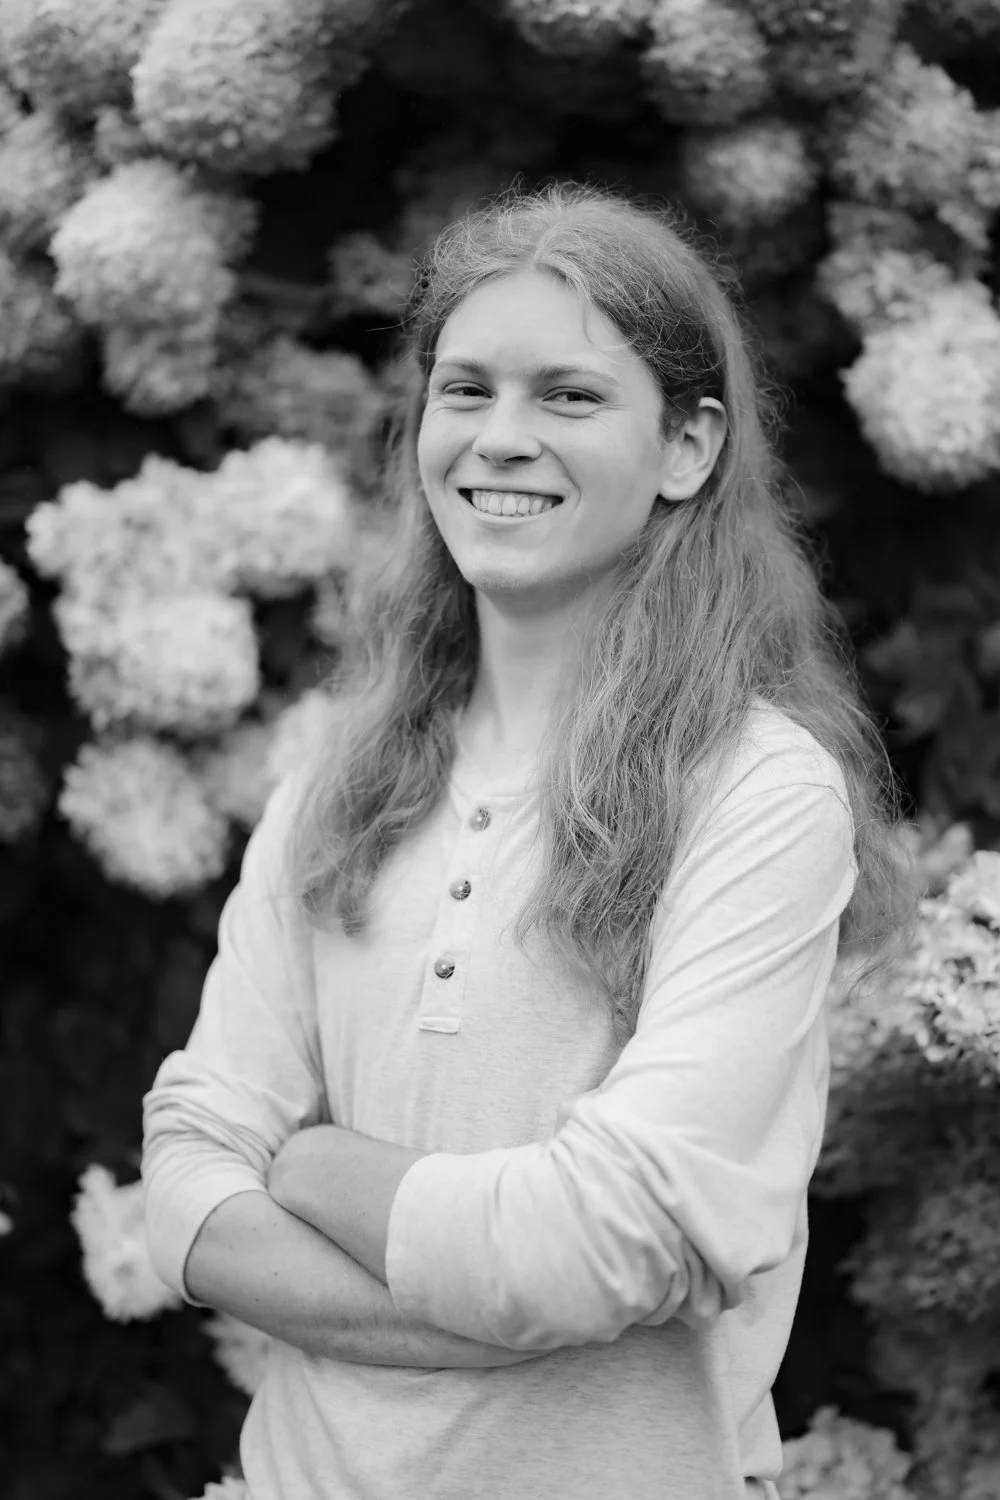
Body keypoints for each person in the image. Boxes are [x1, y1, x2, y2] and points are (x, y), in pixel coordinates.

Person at [142, 183, 914, 1500]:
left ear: (687, 448)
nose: (500, 439)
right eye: (466, 390)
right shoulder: (342, 770)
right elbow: (186, 1175)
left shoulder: (759, 796)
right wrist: (500, 1300)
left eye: (567, 397)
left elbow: (605, 1235)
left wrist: (314, 1164)